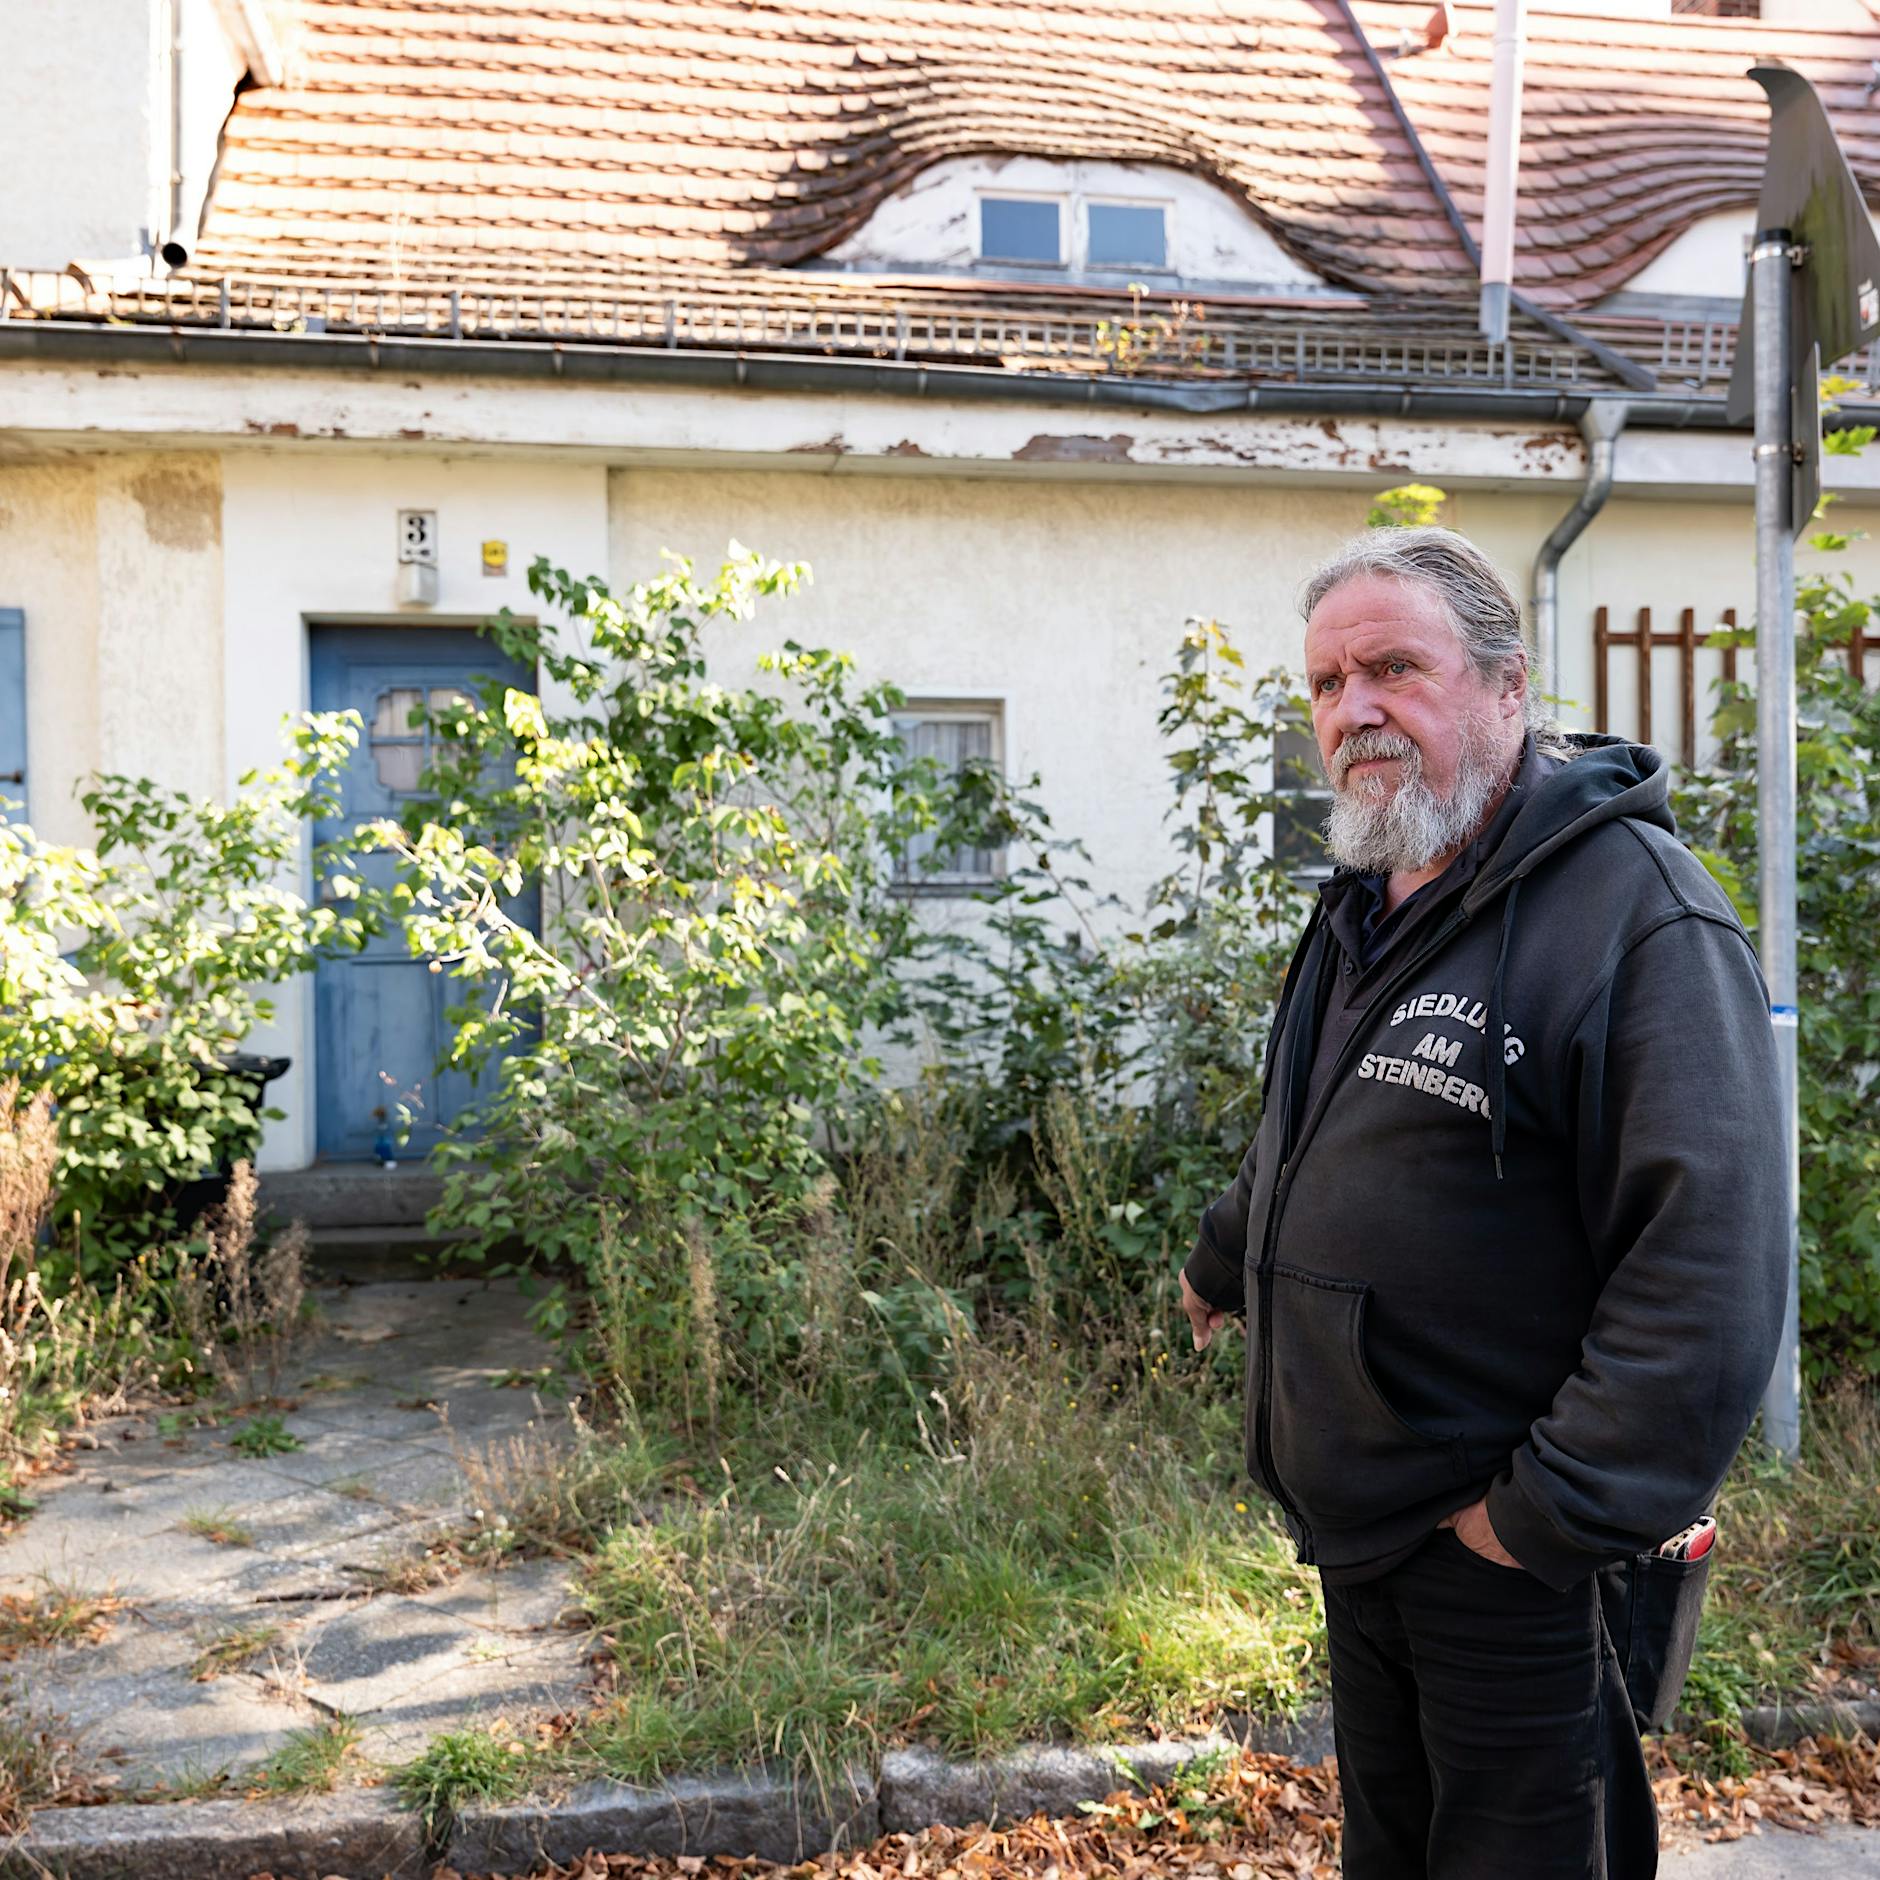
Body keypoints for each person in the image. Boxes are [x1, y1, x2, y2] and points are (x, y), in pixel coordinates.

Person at [1178, 527, 1786, 1878]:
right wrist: (1227, 1260)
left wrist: (1537, 1519)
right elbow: (1316, 1124)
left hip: (1511, 1553)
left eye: (1396, 667)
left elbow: (1712, 1265)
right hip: (1367, 1524)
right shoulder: (1373, 898)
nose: (1355, 710)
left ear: (1510, 689)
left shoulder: (1638, 918)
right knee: (1396, 1851)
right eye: (1329, 683)